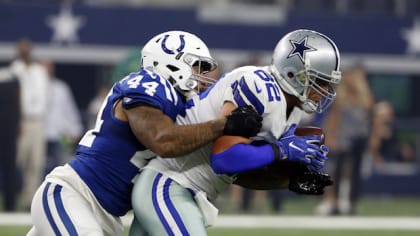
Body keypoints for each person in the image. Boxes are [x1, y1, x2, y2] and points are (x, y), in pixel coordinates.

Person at [27, 31, 261, 236]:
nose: (204, 77)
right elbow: (163, 141)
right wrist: (223, 124)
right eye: (197, 66)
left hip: (107, 215)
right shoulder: (149, 84)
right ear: (171, 63)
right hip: (75, 196)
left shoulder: (179, 105)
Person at [130, 29, 342, 235]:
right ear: (293, 74)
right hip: (168, 184)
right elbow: (224, 158)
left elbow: (236, 174)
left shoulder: (291, 109)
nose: (325, 91)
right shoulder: (258, 86)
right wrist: (280, 151)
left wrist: (289, 180)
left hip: (180, 189)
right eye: (320, 81)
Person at [315, 66, 374, 216]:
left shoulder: (365, 96)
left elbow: (370, 117)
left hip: (359, 137)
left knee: (355, 171)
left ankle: (352, 202)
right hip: (343, 138)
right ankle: (333, 202)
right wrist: (331, 137)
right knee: (337, 170)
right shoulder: (340, 97)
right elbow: (334, 119)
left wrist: (372, 137)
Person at [9, 38, 49, 210]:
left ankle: (29, 201)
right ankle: (12, 197)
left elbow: (44, 97)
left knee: (36, 162)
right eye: (21, 49)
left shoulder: (39, 71)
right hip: (20, 121)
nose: (25, 52)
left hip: (38, 121)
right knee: (17, 161)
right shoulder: (14, 70)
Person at [41, 61, 84, 177]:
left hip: (59, 135)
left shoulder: (61, 88)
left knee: (59, 168)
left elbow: (69, 109)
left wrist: (76, 128)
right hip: (40, 135)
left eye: (49, 67)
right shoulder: (33, 88)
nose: (47, 70)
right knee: (39, 169)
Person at [0, 68, 20, 212]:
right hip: (9, 127)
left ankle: (10, 205)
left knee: (10, 167)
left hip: (9, 128)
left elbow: (18, 101)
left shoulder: (13, 78)